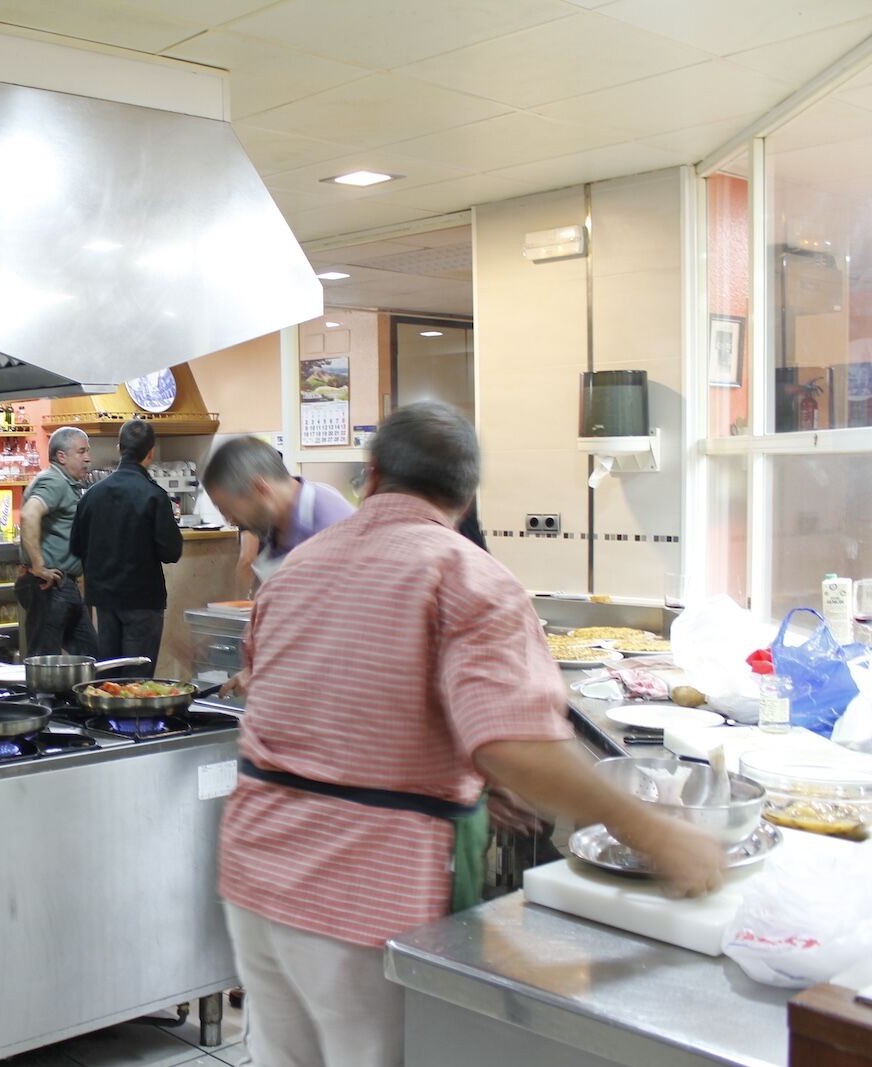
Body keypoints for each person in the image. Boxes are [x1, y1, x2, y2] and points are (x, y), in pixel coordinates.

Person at [218, 403, 725, 1067]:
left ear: (371, 475)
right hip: (363, 893)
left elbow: (315, 704)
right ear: (466, 492)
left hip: (256, 873)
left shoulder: (295, 572)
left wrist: (475, 783)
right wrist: (655, 831)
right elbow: (512, 743)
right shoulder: (469, 577)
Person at [69, 419, 182, 677]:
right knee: (137, 680)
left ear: (119, 447)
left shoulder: (92, 495)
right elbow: (171, 552)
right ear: (151, 452)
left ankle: (108, 718)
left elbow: (76, 546)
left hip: (104, 599)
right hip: (143, 599)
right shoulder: (154, 496)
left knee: (110, 673)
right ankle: (137, 719)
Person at [202, 436, 357, 588]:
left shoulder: (328, 525)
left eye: (228, 509)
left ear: (260, 489)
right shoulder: (275, 521)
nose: (230, 520)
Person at [15, 426, 97, 658]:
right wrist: (38, 565)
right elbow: (29, 514)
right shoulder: (54, 481)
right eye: (81, 452)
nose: (88, 458)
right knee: (44, 658)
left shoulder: (62, 482)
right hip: (48, 585)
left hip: (62, 585)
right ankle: (41, 695)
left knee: (91, 656)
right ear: (62, 456)